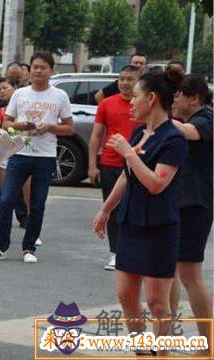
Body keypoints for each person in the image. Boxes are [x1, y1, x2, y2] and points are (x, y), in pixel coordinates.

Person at [93, 69, 187, 357]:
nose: (130, 102)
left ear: (152, 98)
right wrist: (106, 209)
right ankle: (141, 350)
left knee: (158, 303)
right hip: (131, 223)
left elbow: (156, 184)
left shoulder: (173, 138)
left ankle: (163, 353)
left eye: (135, 96)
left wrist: (129, 154)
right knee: (125, 296)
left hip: (159, 227)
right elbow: (127, 176)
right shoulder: (137, 132)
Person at [0, 51, 74, 264]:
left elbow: (69, 128)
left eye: (43, 67)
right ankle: (0, 247)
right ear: (30, 70)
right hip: (19, 153)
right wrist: (20, 126)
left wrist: (50, 127)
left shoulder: (59, 96)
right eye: (35, 67)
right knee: (6, 200)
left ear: (51, 71)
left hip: (45, 156)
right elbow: (6, 123)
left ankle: (29, 247)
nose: (38, 71)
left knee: (37, 204)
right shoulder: (20, 94)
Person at [169, 75, 212, 356]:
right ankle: (167, 332)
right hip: (177, 203)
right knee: (166, 272)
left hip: (195, 206)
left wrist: (158, 114)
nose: (174, 100)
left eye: (177, 96)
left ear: (193, 99)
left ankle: (207, 343)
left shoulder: (206, 119)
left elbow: (190, 132)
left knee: (189, 275)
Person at [87, 65, 140, 271]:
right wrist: (92, 165)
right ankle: (116, 253)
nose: (125, 83)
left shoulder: (144, 105)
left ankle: (134, 251)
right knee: (112, 209)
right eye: (122, 79)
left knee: (135, 209)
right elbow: (96, 135)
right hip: (111, 163)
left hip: (138, 164)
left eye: (130, 79)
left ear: (139, 81)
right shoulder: (107, 104)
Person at [0, 63, 30, 228]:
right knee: (0, 189)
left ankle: (24, 218)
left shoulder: (25, 105)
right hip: (3, 151)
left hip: (21, 151)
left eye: (5, 88)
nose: (1, 91)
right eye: (0, 88)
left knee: (19, 187)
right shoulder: (0, 108)